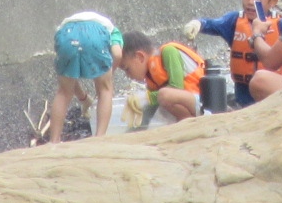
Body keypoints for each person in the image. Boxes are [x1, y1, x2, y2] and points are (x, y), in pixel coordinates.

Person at [194, 0, 282, 104]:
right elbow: (214, 24)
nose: (250, 2)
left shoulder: (281, 25)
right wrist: (199, 24)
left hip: (272, 97)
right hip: (242, 98)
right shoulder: (234, 21)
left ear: (273, 1)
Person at [47, 10, 122, 142]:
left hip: (66, 35)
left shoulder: (68, 23)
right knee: (105, 90)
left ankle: (54, 141)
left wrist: (84, 98)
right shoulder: (113, 30)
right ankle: (99, 138)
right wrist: (109, 75)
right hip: (95, 35)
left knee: (63, 92)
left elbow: (71, 74)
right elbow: (117, 54)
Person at [119, 30, 206, 126]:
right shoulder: (150, 75)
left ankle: (191, 125)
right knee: (159, 101)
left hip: (204, 101)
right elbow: (151, 107)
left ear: (140, 57)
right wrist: (137, 126)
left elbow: (176, 87)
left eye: (127, 69)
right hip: (192, 103)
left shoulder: (168, 51)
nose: (127, 75)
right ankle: (186, 125)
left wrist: (145, 98)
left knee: (164, 95)